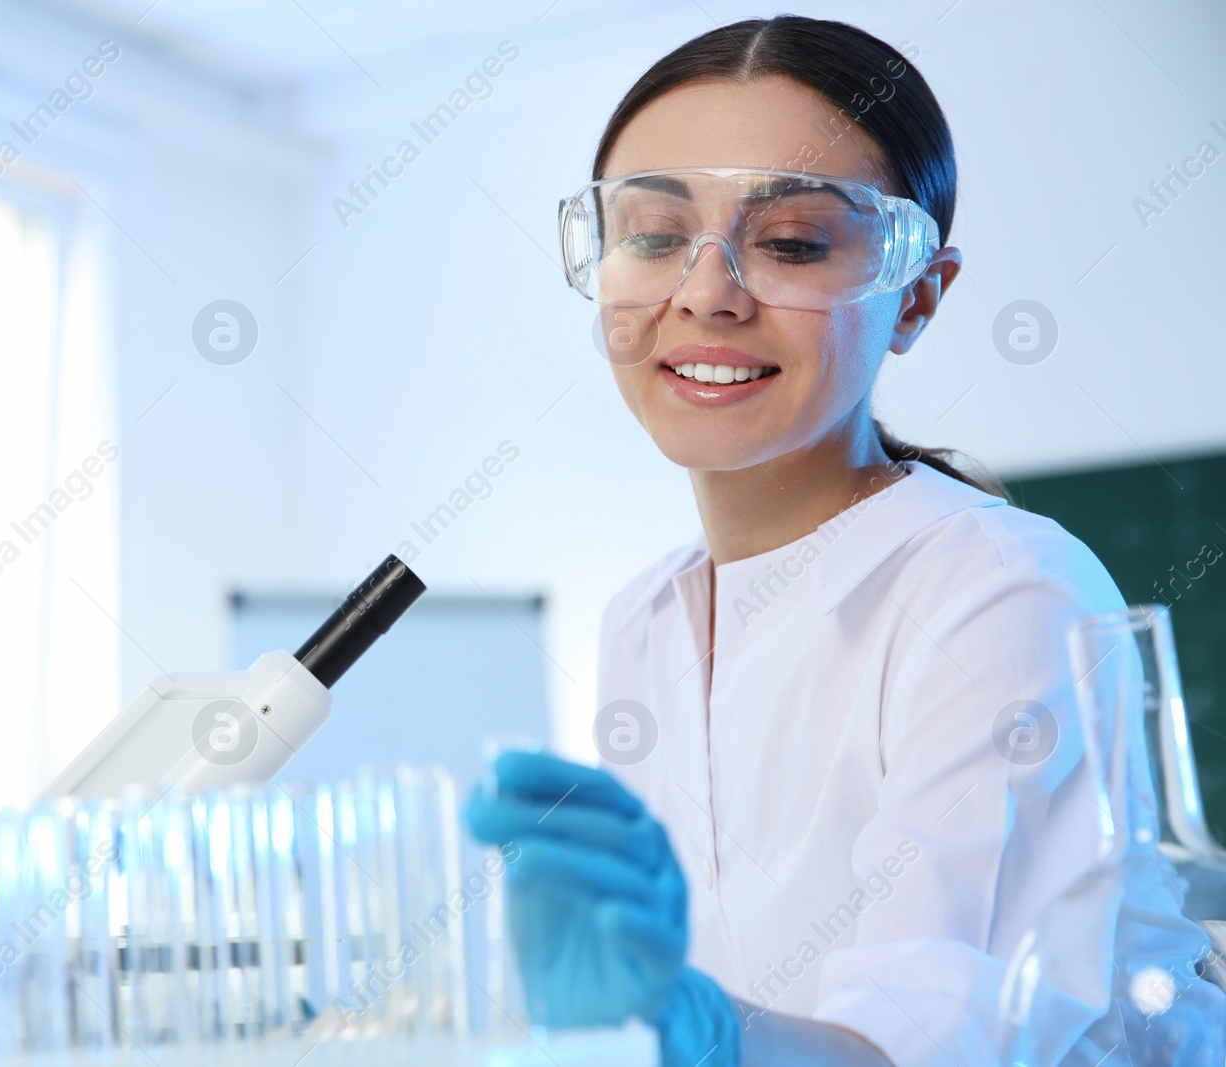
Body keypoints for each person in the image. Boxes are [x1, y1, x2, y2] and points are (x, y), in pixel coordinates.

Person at [464, 14, 1225, 1067]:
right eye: (648, 233)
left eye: (791, 242)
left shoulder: (1001, 590)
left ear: (915, 296)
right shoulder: (641, 615)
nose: (703, 292)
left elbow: (934, 1043)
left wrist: (693, 1023)